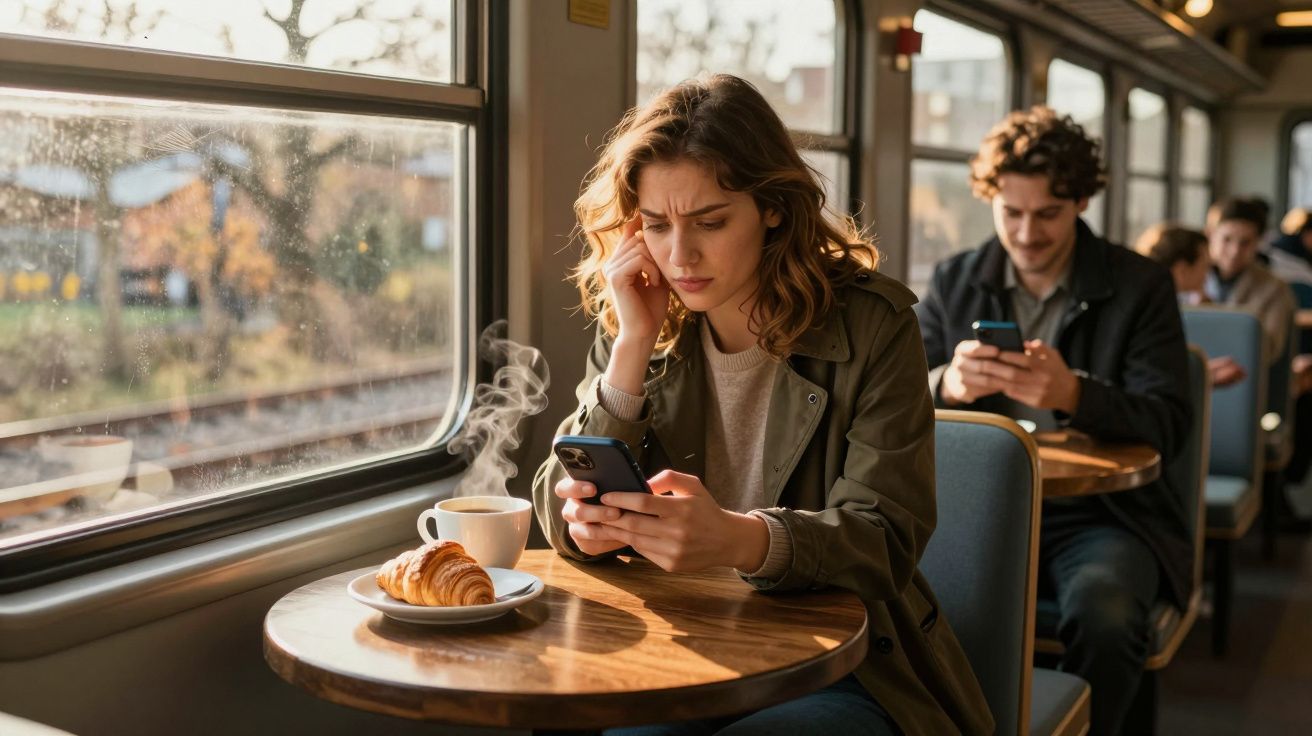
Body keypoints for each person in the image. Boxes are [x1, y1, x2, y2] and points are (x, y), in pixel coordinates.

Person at [532, 74, 992, 736]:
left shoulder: (874, 325)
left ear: (773, 207)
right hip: (683, 644)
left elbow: (886, 541)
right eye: (657, 226)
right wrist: (631, 346)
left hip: (844, 664)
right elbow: (557, 510)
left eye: (710, 222)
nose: (679, 255)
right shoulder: (639, 316)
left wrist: (742, 538)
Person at [915, 106, 1193, 736]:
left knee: (1108, 617)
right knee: (890, 605)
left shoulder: (1140, 285)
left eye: (1047, 214)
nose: (1026, 233)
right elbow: (894, 403)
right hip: (971, 507)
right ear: (990, 200)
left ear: (1082, 203)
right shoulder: (956, 278)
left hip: (1103, 516)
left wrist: (1076, 393)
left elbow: (1171, 424)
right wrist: (947, 385)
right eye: (1010, 212)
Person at [1134, 223, 1246, 387]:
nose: (1207, 276)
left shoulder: (1153, 302)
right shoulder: (1156, 315)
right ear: (1182, 270)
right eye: (1204, 267)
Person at [1204, 197, 1296, 365]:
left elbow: (1268, 349)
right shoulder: (1188, 278)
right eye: (1227, 239)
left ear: (1258, 242)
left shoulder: (1275, 288)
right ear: (1210, 234)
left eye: (1245, 243)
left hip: (1244, 379)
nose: (1234, 251)